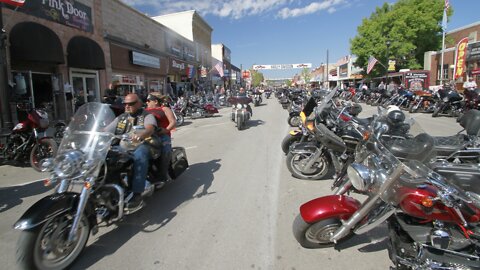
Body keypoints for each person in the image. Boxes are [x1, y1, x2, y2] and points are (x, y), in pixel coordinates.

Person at [105, 93, 157, 211]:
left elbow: (150, 128)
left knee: (140, 156)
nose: (127, 106)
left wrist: (141, 135)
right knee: (107, 158)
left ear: (139, 104)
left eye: (131, 104)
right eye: (125, 104)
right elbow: (106, 130)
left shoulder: (146, 115)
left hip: (143, 144)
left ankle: (137, 193)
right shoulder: (121, 117)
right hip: (124, 146)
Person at [145, 92, 176, 188]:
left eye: (148, 100)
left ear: (155, 101)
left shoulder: (164, 109)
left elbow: (173, 122)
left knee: (166, 151)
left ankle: (162, 175)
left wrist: (165, 130)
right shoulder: (144, 110)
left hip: (162, 135)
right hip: (148, 135)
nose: (146, 102)